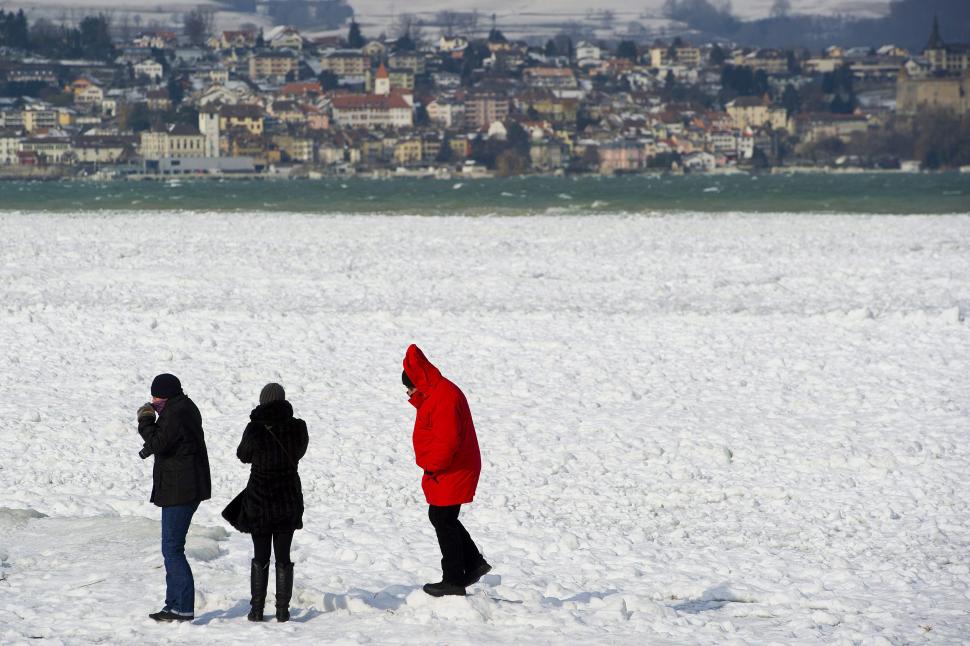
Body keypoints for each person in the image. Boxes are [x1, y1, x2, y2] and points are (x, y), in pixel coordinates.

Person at [402, 344, 491, 597]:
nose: (408, 393)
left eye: (409, 387)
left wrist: (433, 467)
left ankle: (454, 579)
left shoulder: (442, 397)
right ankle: (473, 563)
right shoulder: (435, 393)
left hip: (453, 467)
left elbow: (447, 441)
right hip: (453, 466)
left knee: (443, 518)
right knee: (442, 517)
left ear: (418, 381)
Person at [222, 383, 308, 622]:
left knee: (260, 556)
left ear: (262, 402)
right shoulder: (298, 427)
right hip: (288, 500)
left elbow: (242, 456)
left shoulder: (255, 429)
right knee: (283, 556)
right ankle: (282, 611)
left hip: (259, 501)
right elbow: (299, 452)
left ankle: (257, 610)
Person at [136, 373, 212, 623]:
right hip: (182, 486)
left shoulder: (177, 413)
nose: (153, 400)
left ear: (166, 395)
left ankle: (182, 607)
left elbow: (159, 441)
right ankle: (174, 605)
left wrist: (146, 420)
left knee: (172, 548)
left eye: (156, 396)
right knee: (171, 548)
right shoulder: (181, 408)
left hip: (182, 489)